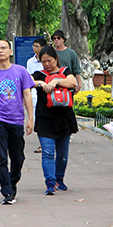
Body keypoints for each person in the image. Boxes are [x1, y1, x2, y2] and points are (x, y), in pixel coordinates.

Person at [0, 39, 35, 204]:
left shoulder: (21, 71)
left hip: (17, 120)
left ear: (10, 51)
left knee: (18, 158)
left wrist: (30, 118)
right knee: (1, 157)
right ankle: (7, 191)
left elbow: (27, 95)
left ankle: (12, 181)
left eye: (3, 48)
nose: (0, 51)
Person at [31, 45, 78, 195]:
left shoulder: (65, 72)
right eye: (43, 61)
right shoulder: (39, 74)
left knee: (63, 153)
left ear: (56, 59)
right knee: (48, 152)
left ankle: (59, 179)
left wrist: (56, 81)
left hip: (64, 118)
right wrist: (41, 83)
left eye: (49, 61)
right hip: (45, 118)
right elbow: (28, 82)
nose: (47, 64)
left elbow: (73, 82)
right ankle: (50, 183)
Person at [27, 38, 47, 153]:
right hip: (35, 95)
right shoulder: (30, 62)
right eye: (33, 46)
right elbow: (29, 79)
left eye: (37, 46)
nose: (34, 48)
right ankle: (42, 144)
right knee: (38, 120)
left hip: (48, 94)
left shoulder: (47, 60)